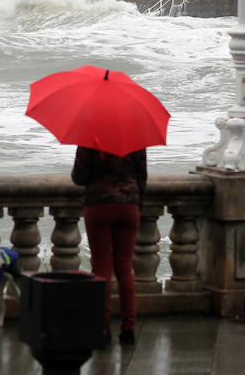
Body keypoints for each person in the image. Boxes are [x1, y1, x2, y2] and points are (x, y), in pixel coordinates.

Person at [71, 146, 146, 347]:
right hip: (129, 206)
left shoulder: (89, 138)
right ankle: (128, 330)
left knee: (102, 268)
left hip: (98, 205)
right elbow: (142, 177)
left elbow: (79, 177)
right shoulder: (135, 136)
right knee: (125, 268)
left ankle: (103, 330)